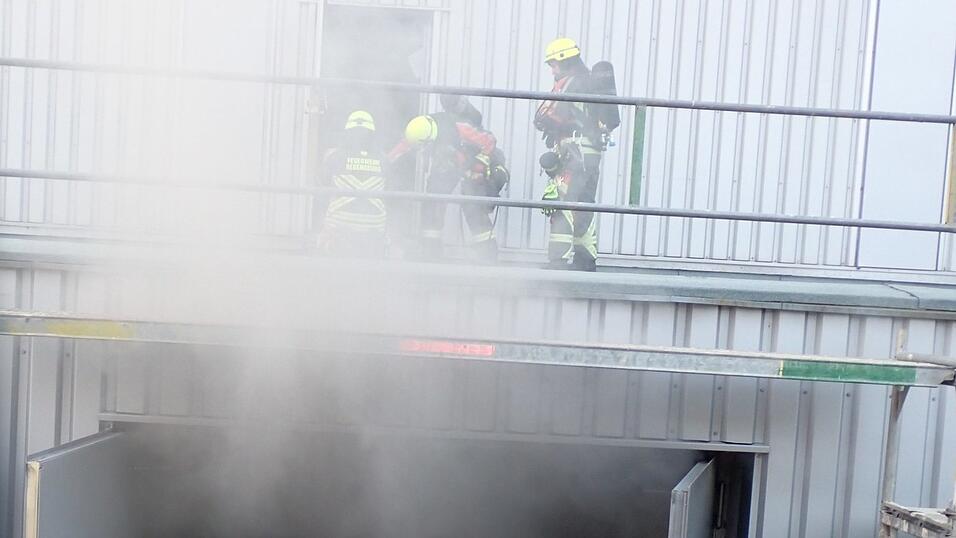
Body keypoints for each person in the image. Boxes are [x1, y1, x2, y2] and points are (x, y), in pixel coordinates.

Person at [390, 106, 509, 262]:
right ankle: (430, 250)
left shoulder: (460, 128)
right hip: (451, 163)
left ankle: (487, 253)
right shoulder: (421, 129)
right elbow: (406, 145)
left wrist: (478, 165)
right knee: (433, 199)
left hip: (474, 164)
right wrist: (388, 159)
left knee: (474, 206)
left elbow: (489, 141)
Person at [534, 37, 607, 271]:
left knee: (561, 202)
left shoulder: (570, 83)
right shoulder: (588, 82)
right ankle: (585, 260)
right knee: (583, 203)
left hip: (573, 151)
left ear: (565, 61)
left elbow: (547, 113)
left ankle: (557, 261)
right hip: (590, 152)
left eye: (553, 64)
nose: (552, 69)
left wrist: (549, 124)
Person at [313, 110, 388, 257]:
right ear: (372, 135)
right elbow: (391, 189)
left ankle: (325, 244)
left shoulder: (334, 156)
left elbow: (322, 184)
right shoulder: (383, 159)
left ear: (347, 133)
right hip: (374, 227)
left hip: (338, 225)